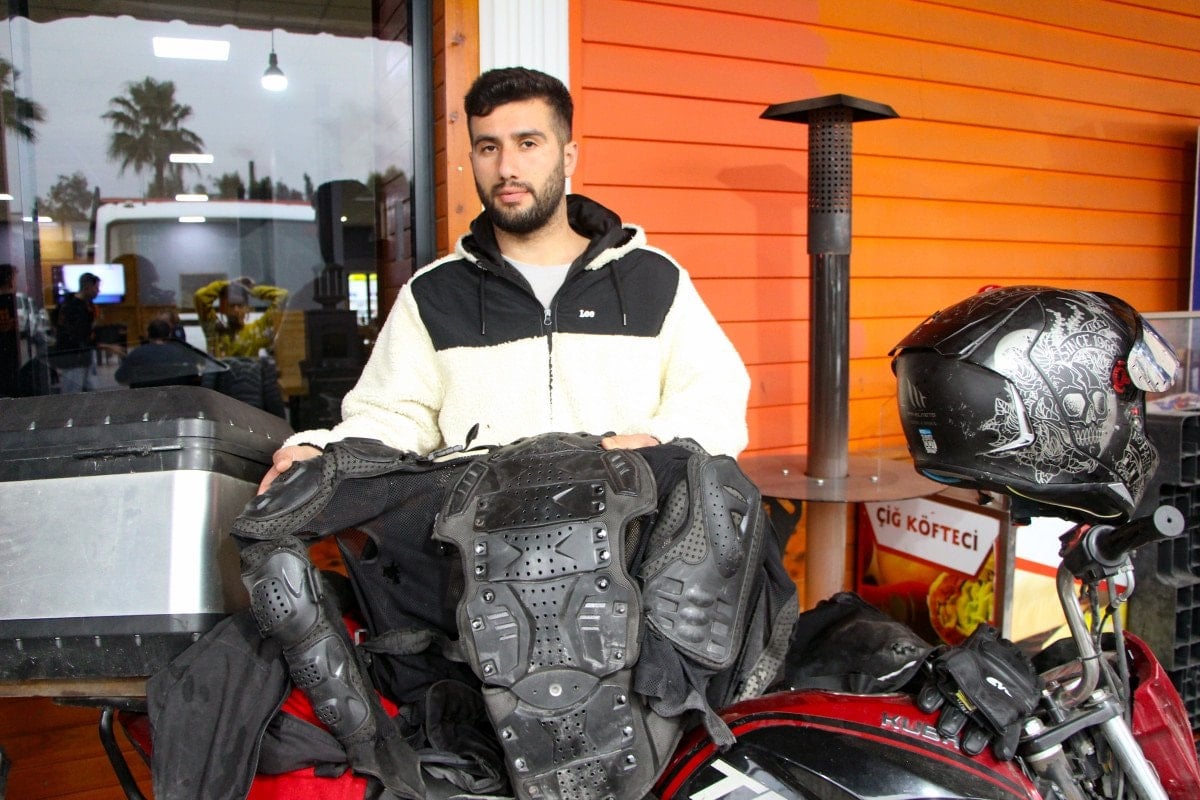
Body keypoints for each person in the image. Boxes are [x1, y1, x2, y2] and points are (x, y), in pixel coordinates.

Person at [260, 66, 750, 491]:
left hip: (630, 544)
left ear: (568, 156)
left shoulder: (653, 278)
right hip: (479, 550)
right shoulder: (433, 293)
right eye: (488, 147)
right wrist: (323, 452)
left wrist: (660, 442)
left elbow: (713, 395)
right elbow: (394, 416)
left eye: (527, 143)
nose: (506, 168)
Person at [193, 276, 288, 357]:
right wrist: (229, 284)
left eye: (240, 305)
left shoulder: (256, 332)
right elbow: (200, 297)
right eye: (231, 305)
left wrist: (251, 290)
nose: (236, 310)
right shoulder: (216, 332)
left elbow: (282, 296)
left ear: (247, 309)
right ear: (223, 309)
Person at [114, 318, 201, 388]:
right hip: (175, 399)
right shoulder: (181, 353)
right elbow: (193, 375)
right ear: (169, 334)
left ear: (148, 335)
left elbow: (120, 378)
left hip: (144, 400)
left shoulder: (137, 353)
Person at [53, 271, 101, 393]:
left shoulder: (87, 305)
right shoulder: (71, 307)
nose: (98, 291)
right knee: (73, 389)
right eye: (96, 288)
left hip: (84, 354)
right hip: (74, 356)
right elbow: (75, 333)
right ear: (88, 286)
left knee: (90, 386)